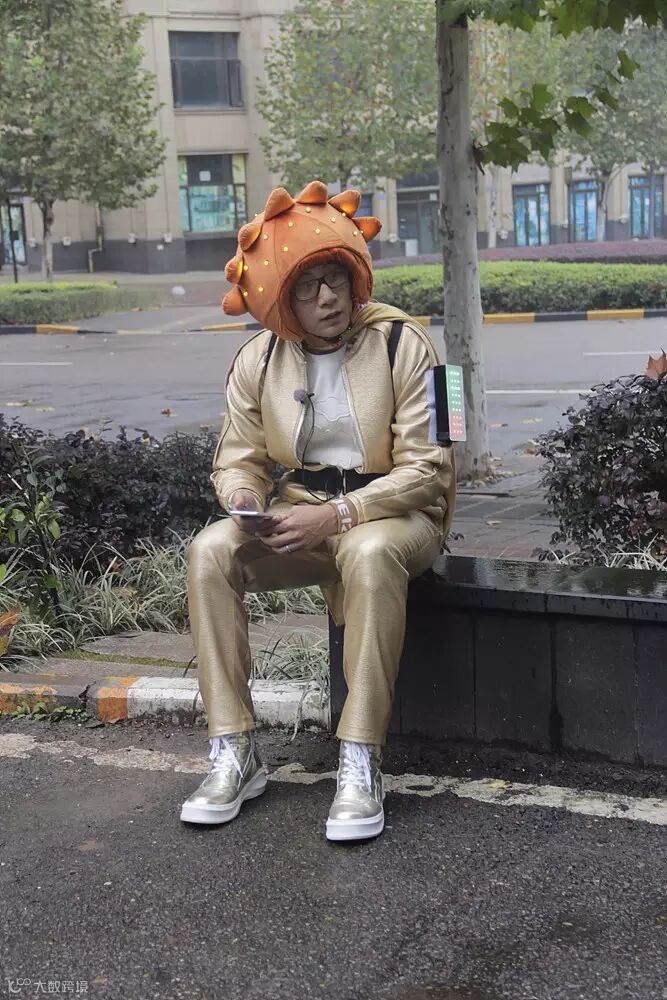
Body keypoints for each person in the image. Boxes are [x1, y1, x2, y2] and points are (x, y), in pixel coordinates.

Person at [180, 179, 456, 842]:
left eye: (333, 279)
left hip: (398, 515)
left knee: (368, 551)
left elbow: (432, 468)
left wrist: (339, 516)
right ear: (282, 300)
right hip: (299, 508)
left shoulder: (410, 344)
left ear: (354, 276)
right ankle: (233, 750)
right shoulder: (256, 359)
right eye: (306, 288)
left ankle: (360, 760)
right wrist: (245, 501)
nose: (326, 297)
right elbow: (238, 459)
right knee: (210, 551)